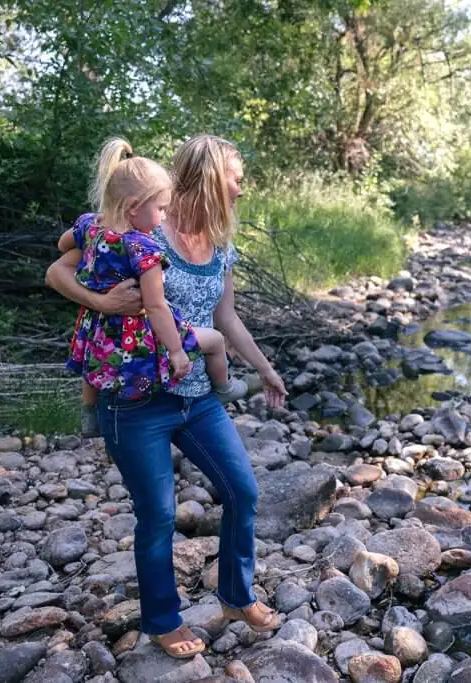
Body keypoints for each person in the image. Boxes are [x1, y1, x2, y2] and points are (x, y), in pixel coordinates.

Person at [46, 134, 288, 659]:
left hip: (197, 397)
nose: (243, 189)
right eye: (237, 178)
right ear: (209, 176)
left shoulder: (221, 245)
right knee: (157, 513)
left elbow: (224, 319)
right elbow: (57, 271)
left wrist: (265, 369)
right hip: (134, 403)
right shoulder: (140, 226)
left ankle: (235, 596)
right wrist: (102, 302)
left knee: (242, 491)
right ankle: (162, 621)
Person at [61, 138, 249, 437]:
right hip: (141, 336)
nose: (163, 215)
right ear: (135, 208)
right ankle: (212, 389)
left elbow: (62, 244)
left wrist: (89, 240)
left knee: (95, 365)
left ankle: (90, 412)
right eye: (161, 208)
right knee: (210, 343)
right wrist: (175, 349)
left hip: (100, 330)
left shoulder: (94, 227)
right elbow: (156, 305)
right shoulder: (143, 244)